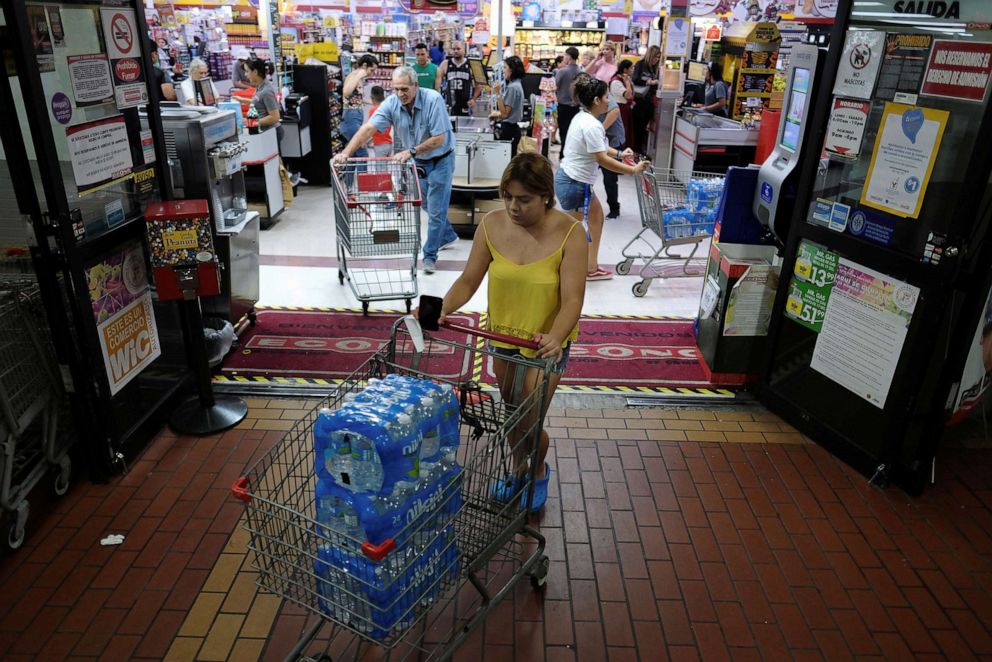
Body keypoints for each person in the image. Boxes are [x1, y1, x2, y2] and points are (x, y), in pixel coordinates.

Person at [434, 153, 586, 512]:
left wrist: (556, 336)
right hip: (503, 339)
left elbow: (572, 300)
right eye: (508, 197)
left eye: (524, 199)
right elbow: (469, 280)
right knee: (511, 416)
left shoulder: (571, 234)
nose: (513, 207)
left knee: (529, 421)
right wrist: (441, 307)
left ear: (546, 195)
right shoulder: (492, 225)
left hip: (544, 345)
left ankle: (536, 473)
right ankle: (520, 468)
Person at [334, 66, 458, 275]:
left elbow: (439, 139)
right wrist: (345, 153)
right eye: (396, 89)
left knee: (436, 209)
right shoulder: (392, 103)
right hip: (419, 161)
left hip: (441, 159)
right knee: (426, 202)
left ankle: (429, 256)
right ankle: (447, 235)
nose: (400, 94)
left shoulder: (433, 100)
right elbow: (367, 129)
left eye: (404, 89)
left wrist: (411, 151)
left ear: (416, 86)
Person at [555, 74, 649, 280]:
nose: (609, 101)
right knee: (565, 231)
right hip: (575, 184)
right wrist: (632, 170)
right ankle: (553, 265)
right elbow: (601, 159)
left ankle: (590, 267)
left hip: (572, 180)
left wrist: (619, 154)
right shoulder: (592, 125)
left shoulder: (583, 117)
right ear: (596, 100)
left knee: (595, 219)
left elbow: (600, 148)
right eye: (607, 97)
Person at [341, 54, 379, 160]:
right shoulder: (354, 76)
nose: (372, 73)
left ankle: (350, 177)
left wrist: (373, 103)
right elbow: (346, 92)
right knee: (363, 154)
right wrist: (359, 74)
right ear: (364, 65)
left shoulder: (359, 78)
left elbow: (354, 98)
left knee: (352, 154)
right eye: (371, 70)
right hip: (351, 117)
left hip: (355, 116)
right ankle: (363, 177)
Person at [491, 56, 525, 157]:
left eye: (505, 68)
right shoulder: (517, 84)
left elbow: (505, 114)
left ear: (512, 70)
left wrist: (497, 94)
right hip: (512, 129)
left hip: (509, 131)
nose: (503, 71)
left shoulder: (513, 88)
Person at [599, 98, 627, 220]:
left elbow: (615, 111)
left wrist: (599, 129)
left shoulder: (603, 95)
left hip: (613, 142)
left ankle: (614, 208)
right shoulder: (587, 99)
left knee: (609, 178)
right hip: (600, 141)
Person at [437, 41, 480, 116]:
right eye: (453, 49)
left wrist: (474, 98)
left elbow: (478, 84)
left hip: (466, 104)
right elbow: (437, 81)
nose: (455, 51)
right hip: (450, 105)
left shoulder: (471, 64)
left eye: (458, 49)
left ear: (464, 50)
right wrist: (439, 97)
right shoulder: (445, 63)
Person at [632, 45, 661, 154]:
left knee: (643, 130)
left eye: (658, 58)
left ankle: (639, 152)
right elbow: (634, 80)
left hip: (649, 103)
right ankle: (635, 152)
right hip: (639, 103)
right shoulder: (640, 64)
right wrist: (649, 82)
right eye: (655, 57)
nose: (656, 60)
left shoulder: (654, 69)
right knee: (637, 130)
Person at [246, 59, 282, 141]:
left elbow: (275, 117)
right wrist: (240, 100)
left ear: (255, 72)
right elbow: (259, 102)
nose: (245, 74)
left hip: (271, 132)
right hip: (265, 131)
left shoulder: (266, 91)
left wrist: (252, 122)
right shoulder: (260, 87)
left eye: (247, 71)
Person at [555, 47, 581, 158]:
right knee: (573, 131)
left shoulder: (562, 72)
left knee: (563, 130)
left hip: (563, 106)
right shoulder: (581, 72)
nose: (564, 57)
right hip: (576, 106)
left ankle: (563, 153)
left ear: (569, 57)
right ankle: (571, 153)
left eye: (565, 55)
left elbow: (555, 86)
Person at [610, 59, 635, 151]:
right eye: (632, 68)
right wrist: (628, 83)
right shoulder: (616, 82)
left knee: (627, 131)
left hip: (625, 108)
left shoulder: (624, 79)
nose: (633, 70)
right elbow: (628, 95)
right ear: (625, 70)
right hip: (620, 109)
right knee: (622, 131)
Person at [367, 85, 393, 163]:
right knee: (388, 169)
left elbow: (370, 128)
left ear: (372, 97)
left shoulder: (373, 110)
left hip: (380, 145)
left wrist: (365, 141)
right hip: (389, 144)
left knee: (381, 171)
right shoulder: (387, 108)